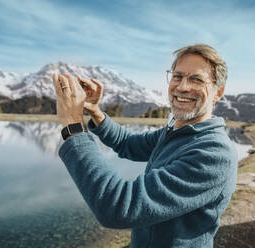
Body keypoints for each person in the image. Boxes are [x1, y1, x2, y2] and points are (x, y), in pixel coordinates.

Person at [52, 44, 238, 248]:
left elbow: (117, 207)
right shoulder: (178, 132)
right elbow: (128, 144)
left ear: (218, 92)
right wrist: (95, 111)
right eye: (177, 76)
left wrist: (73, 125)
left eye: (196, 79)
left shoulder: (214, 153)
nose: (183, 87)